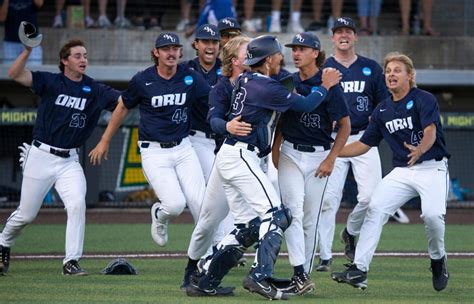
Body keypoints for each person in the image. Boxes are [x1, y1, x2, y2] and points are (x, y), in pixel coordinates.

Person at [185, 35, 341, 300]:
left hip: (235, 155)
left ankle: (206, 279)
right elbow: (305, 105)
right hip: (241, 155)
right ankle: (259, 276)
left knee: (248, 225)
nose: (282, 56)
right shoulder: (263, 86)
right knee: (276, 216)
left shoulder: (247, 79)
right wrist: (324, 86)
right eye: (278, 53)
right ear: (268, 59)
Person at [331, 52, 450, 292]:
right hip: (402, 171)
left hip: (432, 167)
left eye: (397, 70)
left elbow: (430, 132)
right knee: (374, 208)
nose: (391, 74)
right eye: (388, 71)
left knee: (433, 216)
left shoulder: (423, 98)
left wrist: (420, 150)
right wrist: (333, 154)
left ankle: (438, 260)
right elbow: (364, 144)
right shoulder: (381, 110)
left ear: (410, 76)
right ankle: (359, 270)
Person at [0, 39, 120, 275]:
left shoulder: (94, 89)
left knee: (76, 205)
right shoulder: (51, 81)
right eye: (77, 56)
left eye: (85, 55)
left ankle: (71, 262)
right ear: (64, 61)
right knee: (26, 214)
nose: (83, 59)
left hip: (69, 161)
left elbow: (124, 101)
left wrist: (105, 138)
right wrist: (28, 50)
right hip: (41, 155)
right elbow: (14, 74)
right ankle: (3, 242)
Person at [89, 33, 209, 248]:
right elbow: (123, 107)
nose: (171, 53)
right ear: (156, 53)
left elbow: (211, 99)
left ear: (181, 51)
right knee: (175, 205)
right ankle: (159, 215)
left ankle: (206, 258)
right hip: (154, 152)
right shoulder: (142, 79)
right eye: (166, 49)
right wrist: (105, 140)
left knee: (201, 204)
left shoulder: (190, 76)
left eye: (174, 48)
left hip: (183, 147)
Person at [316, 17, 409, 273]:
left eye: (348, 31)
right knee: (328, 200)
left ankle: (350, 231)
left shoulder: (371, 68)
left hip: (364, 139)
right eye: (339, 32)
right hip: (333, 141)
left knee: (370, 198)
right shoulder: (324, 67)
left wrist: (377, 117)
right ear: (332, 38)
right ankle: (324, 256)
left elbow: (384, 101)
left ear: (356, 36)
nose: (343, 36)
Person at [270, 32, 349, 295]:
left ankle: (304, 271)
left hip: (318, 156)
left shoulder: (329, 82)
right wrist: (276, 146)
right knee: (292, 212)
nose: (296, 53)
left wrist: (331, 158)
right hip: (291, 152)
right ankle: (299, 272)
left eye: (302, 48)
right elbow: (281, 119)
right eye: (294, 48)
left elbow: (345, 126)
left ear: (315, 52)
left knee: (310, 218)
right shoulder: (288, 81)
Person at [183, 35, 254, 294]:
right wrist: (227, 125)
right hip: (228, 156)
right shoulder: (222, 87)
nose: (254, 54)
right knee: (208, 220)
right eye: (249, 51)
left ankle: (256, 271)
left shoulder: (259, 81)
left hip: (255, 159)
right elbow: (213, 119)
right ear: (235, 59)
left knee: (254, 219)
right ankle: (192, 269)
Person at [1, 0, 43, 65]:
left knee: (34, 73)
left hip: (31, 42)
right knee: (8, 73)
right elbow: (2, 18)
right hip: (10, 42)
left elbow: (40, 3)